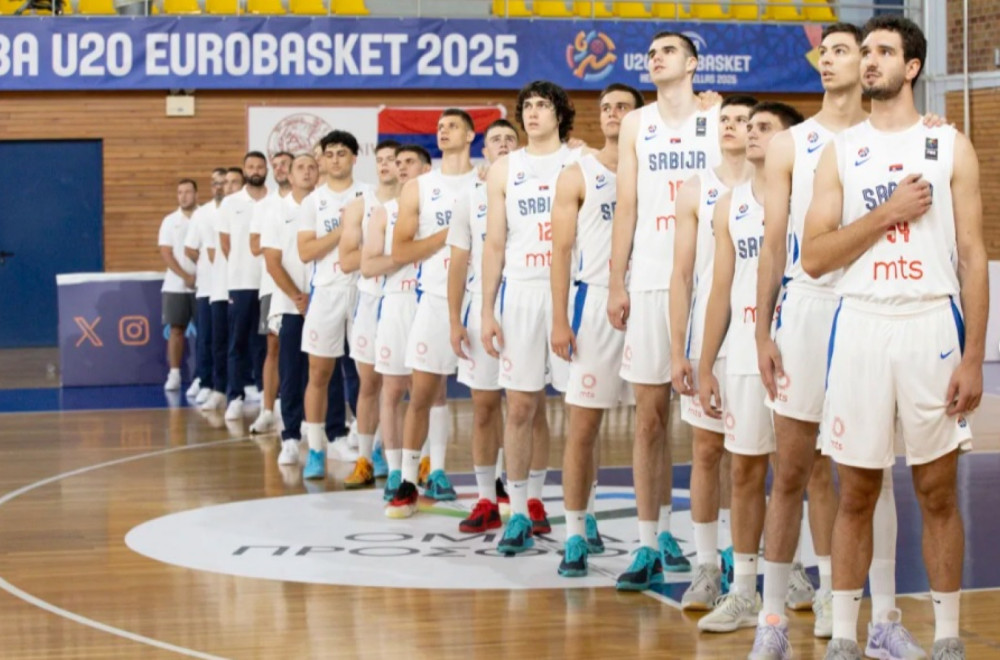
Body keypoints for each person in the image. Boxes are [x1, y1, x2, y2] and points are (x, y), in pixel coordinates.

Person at [754, 23, 948, 656]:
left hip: (872, 307)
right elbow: (776, 246)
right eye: (834, 50)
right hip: (810, 307)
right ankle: (772, 622)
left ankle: (883, 619)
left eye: (853, 50)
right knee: (791, 470)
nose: (841, 59)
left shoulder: (907, 135)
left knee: (873, 475)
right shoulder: (791, 143)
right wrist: (761, 328)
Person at [802, 16, 984, 660]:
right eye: (866, 50)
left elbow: (973, 256)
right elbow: (814, 257)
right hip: (861, 323)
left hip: (931, 323)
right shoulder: (841, 150)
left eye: (884, 51)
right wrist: (886, 214)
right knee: (856, 491)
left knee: (937, 491)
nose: (870, 60)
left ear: (912, 67)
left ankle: (949, 637)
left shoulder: (949, 144)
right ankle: (844, 639)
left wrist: (974, 357)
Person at [607, 31, 720, 588]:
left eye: (667, 51)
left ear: (692, 63)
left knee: (713, 428)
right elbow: (626, 205)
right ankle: (649, 542)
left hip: (712, 281)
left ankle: (719, 549)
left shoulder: (719, 117)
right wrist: (616, 280)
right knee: (649, 420)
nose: (656, 58)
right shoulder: (636, 124)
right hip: (652, 278)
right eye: (651, 53)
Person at [696, 102, 804, 637]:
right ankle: (743, 590)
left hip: (797, 343)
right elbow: (719, 288)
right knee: (744, 470)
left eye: (765, 127)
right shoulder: (730, 204)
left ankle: (812, 579)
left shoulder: (811, 194)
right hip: (742, 348)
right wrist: (704, 362)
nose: (751, 133)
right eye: (749, 125)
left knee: (803, 470)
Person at [478, 81, 581, 553]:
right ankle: (517, 513)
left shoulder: (581, 161)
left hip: (572, 294)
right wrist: (487, 310)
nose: (533, 113)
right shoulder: (505, 168)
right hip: (519, 294)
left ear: (560, 114)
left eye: (543, 105)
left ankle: (580, 515)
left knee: (581, 414)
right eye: (528, 107)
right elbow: (494, 244)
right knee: (520, 406)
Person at [551, 83, 644, 576]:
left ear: (639, 117)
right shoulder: (578, 173)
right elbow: (561, 252)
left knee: (653, 426)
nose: (612, 113)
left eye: (622, 107)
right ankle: (575, 532)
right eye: (606, 107)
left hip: (650, 299)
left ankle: (657, 536)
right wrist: (559, 317)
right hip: (594, 303)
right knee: (583, 427)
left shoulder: (656, 171)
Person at [668, 94, 757, 607]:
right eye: (725, 119)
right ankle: (706, 566)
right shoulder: (696, 188)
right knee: (706, 450)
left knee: (765, 458)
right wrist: (679, 350)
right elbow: (682, 275)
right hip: (710, 334)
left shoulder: (779, 184)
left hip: (761, 332)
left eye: (742, 120)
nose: (731, 126)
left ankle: (776, 565)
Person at [383, 110, 479, 517]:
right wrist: (451, 234)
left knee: (488, 401)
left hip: (481, 298)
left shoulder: (487, 180)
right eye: (440, 127)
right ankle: (408, 480)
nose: (443, 131)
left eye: (452, 126)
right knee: (420, 394)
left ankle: (494, 486)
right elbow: (401, 250)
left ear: (470, 135)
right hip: (435, 298)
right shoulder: (420, 187)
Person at [445, 118, 520, 532]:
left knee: (526, 408)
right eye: (496, 139)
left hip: (528, 301)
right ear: (484, 150)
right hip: (480, 307)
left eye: (510, 138)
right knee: (485, 407)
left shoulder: (543, 186)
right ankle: (486, 498)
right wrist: (454, 319)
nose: (504, 144)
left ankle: (525, 498)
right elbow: (458, 261)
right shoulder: (469, 196)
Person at [296, 130, 370, 480]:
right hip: (326, 292)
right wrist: (343, 229)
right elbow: (306, 251)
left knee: (370, 376)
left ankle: (371, 449)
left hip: (364, 291)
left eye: (342, 153)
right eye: (330, 154)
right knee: (319, 373)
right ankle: (315, 450)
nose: (336, 159)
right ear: (322, 159)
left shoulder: (369, 195)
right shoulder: (313, 202)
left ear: (354, 157)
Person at [365, 143, 432, 502]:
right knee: (391, 390)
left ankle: (430, 467)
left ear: (426, 169)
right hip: (396, 302)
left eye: (409, 162)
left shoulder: (440, 207)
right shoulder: (384, 213)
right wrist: (407, 253)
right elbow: (368, 266)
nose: (401, 167)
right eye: (398, 162)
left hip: (431, 300)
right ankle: (394, 470)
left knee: (430, 392)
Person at [338, 140, 401, 488]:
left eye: (392, 159)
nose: (386, 165)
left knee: (405, 386)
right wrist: (383, 257)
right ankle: (365, 457)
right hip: (370, 301)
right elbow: (348, 261)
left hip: (405, 298)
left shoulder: (414, 202)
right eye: (380, 160)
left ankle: (410, 461)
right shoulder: (360, 207)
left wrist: (379, 257)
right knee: (369, 384)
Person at [261, 154, 319, 466]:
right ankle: (291, 437)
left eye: (312, 167)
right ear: (290, 176)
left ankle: (330, 433)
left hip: (325, 303)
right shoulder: (276, 211)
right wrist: (298, 297)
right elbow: (272, 262)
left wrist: (317, 296)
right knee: (292, 372)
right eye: (300, 168)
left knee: (325, 371)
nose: (307, 172)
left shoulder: (326, 207)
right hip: (290, 304)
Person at [219, 152, 270, 421]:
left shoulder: (275, 200)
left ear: (266, 169)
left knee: (265, 343)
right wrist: (242, 266)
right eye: (251, 166)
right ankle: (235, 397)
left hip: (270, 283)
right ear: (244, 170)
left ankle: (265, 393)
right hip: (240, 283)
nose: (256, 170)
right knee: (237, 342)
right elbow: (225, 243)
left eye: (260, 166)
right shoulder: (230, 203)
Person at [248, 150, 294, 434]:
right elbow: (255, 246)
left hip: (306, 285)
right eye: (274, 165)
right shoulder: (265, 206)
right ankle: (267, 410)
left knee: (311, 351)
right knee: (273, 347)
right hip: (273, 285)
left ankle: (312, 415)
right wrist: (280, 242)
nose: (279, 169)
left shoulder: (311, 200)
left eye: (284, 164)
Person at [201, 167, 245, 412]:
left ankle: (248, 388)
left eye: (233, 182)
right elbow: (212, 252)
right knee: (220, 343)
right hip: (220, 286)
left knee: (247, 342)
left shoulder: (252, 209)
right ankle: (219, 390)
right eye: (225, 182)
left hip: (245, 286)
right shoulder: (213, 214)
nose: (228, 187)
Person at [184, 168, 226, 405]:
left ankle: (243, 384)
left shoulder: (239, 209)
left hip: (235, 285)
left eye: (223, 182)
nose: (219, 187)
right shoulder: (202, 214)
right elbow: (190, 248)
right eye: (215, 183)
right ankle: (206, 382)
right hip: (209, 286)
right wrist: (208, 262)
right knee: (208, 338)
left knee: (237, 339)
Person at [158, 179, 198, 391]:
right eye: (180, 192)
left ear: (196, 194)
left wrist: (199, 276)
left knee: (206, 332)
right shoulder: (169, 221)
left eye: (187, 192)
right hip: (175, 286)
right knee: (176, 330)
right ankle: (174, 374)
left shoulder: (205, 216)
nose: (183, 196)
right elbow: (166, 253)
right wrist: (185, 276)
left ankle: (203, 377)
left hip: (204, 285)